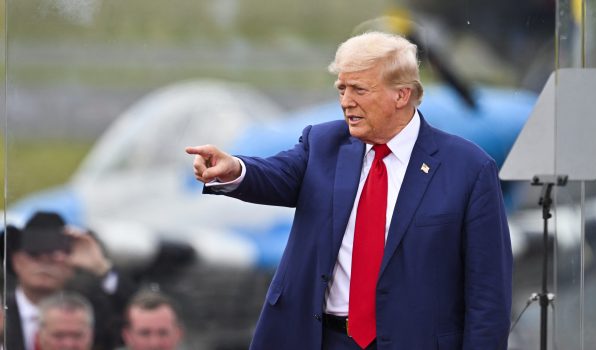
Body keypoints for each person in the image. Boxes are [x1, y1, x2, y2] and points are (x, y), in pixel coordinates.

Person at [186, 31, 512, 349]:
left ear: (401, 95)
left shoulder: (468, 168)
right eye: (341, 88)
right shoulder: (323, 143)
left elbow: (489, 291)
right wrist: (235, 169)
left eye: (358, 89)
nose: (345, 102)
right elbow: (275, 174)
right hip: (322, 337)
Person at [4, 212, 136, 350]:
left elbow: (141, 314)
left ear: (71, 266)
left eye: (54, 254)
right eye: (34, 254)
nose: (45, 262)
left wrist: (101, 268)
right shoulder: (3, 311)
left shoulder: (93, 310)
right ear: (16, 261)